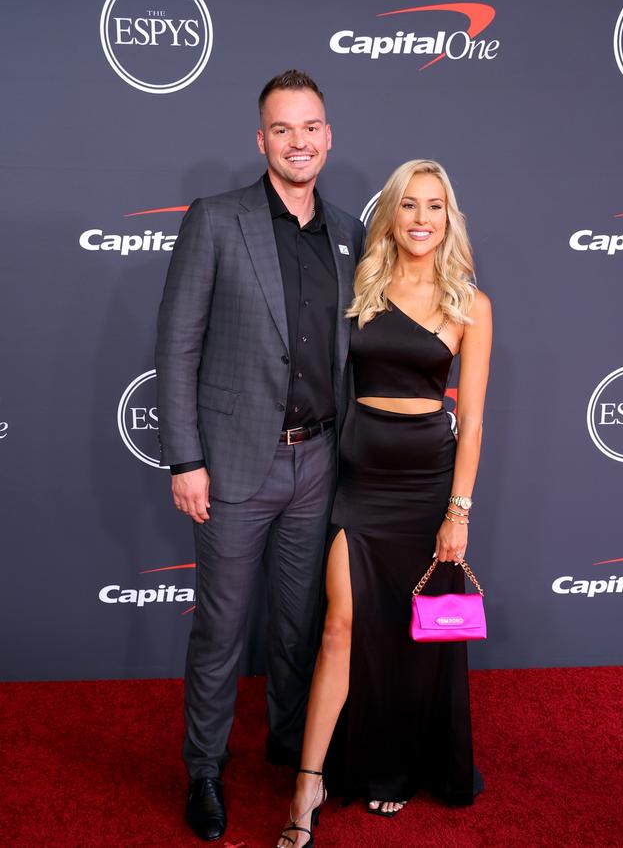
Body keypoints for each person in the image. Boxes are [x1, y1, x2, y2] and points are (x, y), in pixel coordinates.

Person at [155, 69, 365, 842]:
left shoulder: (348, 231)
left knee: (297, 622)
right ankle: (204, 767)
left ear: (328, 135)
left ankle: (288, 742)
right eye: (282, 129)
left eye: (310, 127)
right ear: (261, 140)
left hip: (320, 463)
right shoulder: (217, 219)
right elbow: (177, 345)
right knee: (221, 626)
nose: (298, 141)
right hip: (235, 465)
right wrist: (185, 458)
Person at [277, 159, 492, 848]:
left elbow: (476, 420)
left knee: (416, 631)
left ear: (448, 218)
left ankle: (396, 765)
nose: (422, 218)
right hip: (360, 485)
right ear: (392, 215)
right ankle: (309, 782)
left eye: (435, 205)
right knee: (341, 624)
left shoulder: (470, 303)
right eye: (410, 205)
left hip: (427, 484)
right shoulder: (361, 286)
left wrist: (458, 509)